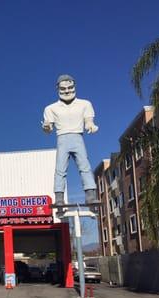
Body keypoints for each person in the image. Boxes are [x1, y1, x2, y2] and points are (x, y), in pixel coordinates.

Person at [42, 74, 98, 205]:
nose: (67, 91)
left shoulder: (85, 104)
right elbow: (48, 128)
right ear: (58, 89)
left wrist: (91, 125)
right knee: (60, 169)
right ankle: (59, 198)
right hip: (62, 139)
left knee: (85, 166)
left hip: (78, 137)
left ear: (74, 86)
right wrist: (46, 127)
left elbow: (89, 120)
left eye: (70, 87)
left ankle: (90, 195)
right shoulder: (51, 108)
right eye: (63, 89)